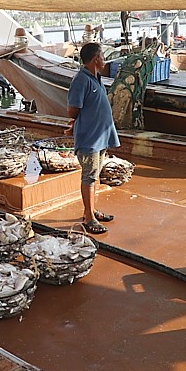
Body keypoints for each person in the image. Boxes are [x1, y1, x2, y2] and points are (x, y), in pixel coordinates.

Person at [65, 42, 120, 234]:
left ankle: (92, 210)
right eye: (103, 56)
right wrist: (75, 123)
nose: (105, 60)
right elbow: (73, 110)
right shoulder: (81, 79)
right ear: (96, 59)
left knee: (94, 175)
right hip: (90, 139)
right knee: (89, 176)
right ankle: (89, 217)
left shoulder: (96, 78)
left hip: (101, 136)